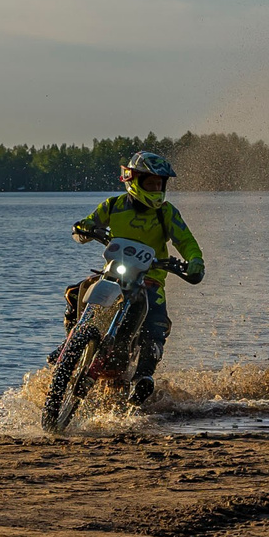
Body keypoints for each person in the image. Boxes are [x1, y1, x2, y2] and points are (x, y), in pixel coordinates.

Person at [67, 149, 206, 405]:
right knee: (76, 291)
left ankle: (144, 377)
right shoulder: (112, 205)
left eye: (158, 183)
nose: (155, 188)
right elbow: (86, 226)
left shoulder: (166, 213)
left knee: (157, 322)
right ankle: (70, 345)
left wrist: (195, 261)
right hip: (113, 275)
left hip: (149, 279)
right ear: (133, 181)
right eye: (149, 182)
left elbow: (186, 241)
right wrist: (83, 228)